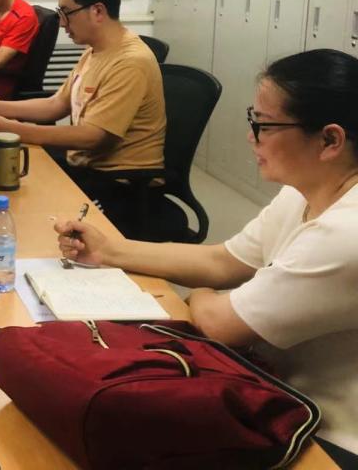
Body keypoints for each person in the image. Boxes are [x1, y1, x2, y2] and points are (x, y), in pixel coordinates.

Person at [55, 49, 358, 467]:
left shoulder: (346, 233)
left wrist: (201, 295)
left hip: (328, 434)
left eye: (264, 125)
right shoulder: (303, 191)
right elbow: (223, 262)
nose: (251, 137)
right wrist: (107, 249)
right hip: (278, 393)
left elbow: (219, 325)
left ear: (329, 141)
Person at [0, 0, 164, 232]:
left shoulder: (130, 62)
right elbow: (56, 105)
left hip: (120, 184)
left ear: (97, 11)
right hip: (88, 168)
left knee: (24, 210)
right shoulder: (95, 51)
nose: (62, 23)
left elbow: (93, 137)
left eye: (66, 13)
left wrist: (9, 129)